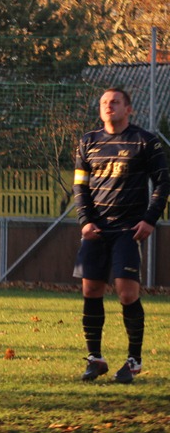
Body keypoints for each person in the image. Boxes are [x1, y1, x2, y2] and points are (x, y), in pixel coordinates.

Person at [73, 88, 168, 383]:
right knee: (91, 290)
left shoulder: (145, 141)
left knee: (127, 294)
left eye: (114, 102)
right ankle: (95, 359)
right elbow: (80, 186)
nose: (108, 106)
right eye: (104, 102)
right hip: (96, 230)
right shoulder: (88, 142)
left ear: (129, 109)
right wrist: (85, 221)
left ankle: (133, 361)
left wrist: (149, 219)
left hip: (128, 230)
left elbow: (163, 182)